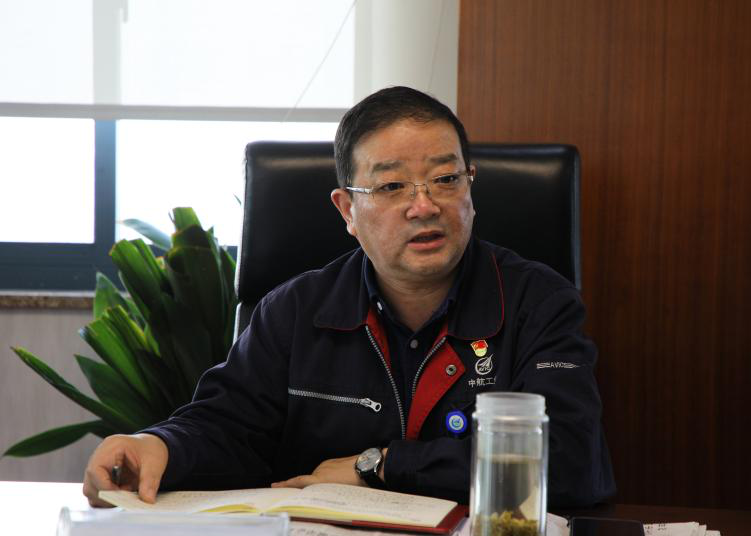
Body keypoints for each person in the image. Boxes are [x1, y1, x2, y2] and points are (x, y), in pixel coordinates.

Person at [83, 86, 615, 508]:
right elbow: (227, 426)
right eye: (392, 187)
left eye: (446, 178)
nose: (425, 205)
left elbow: (569, 461)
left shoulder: (537, 303)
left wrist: (380, 466)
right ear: (347, 210)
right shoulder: (295, 310)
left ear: (470, 188)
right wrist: (159, 446)